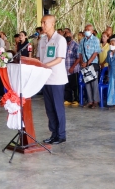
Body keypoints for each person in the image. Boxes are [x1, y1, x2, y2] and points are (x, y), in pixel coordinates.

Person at [38, 15, 67, 145]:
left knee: (57, 108)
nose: (42, 25)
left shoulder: (60, 40)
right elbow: (39, 58)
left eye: (44, 22)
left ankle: (61, 135)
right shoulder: (42, 41)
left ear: (52, 24)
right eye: (41, 23)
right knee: (49, 109)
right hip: (46, 79)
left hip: (57, 79)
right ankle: (53, 133)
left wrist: (44, 66)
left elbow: (59, 59)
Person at [78, 24, 101, 108]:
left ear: (92, 31)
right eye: (85, 29)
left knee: (94, 83)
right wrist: (82, 63)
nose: (86, 30)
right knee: (87, 82)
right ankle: (90, 101)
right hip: (84, 64)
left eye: (88, 29)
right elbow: (80, 53)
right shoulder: (82, 41)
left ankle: (95, 101)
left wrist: (88, 62)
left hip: (93, 63)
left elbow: (96, 53)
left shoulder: (95, 40)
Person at [64, 31, 80, 106]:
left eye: (69, 36)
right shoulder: (64, 45)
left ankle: (76, 99)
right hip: (65, 69)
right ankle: (68, 99)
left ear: (72, 36)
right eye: (66, 36)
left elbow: (78, 58)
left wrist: (72, 67)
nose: (68, 37)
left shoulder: (75, 45)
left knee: (74, 85)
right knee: (67, 85)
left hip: (73, 69)